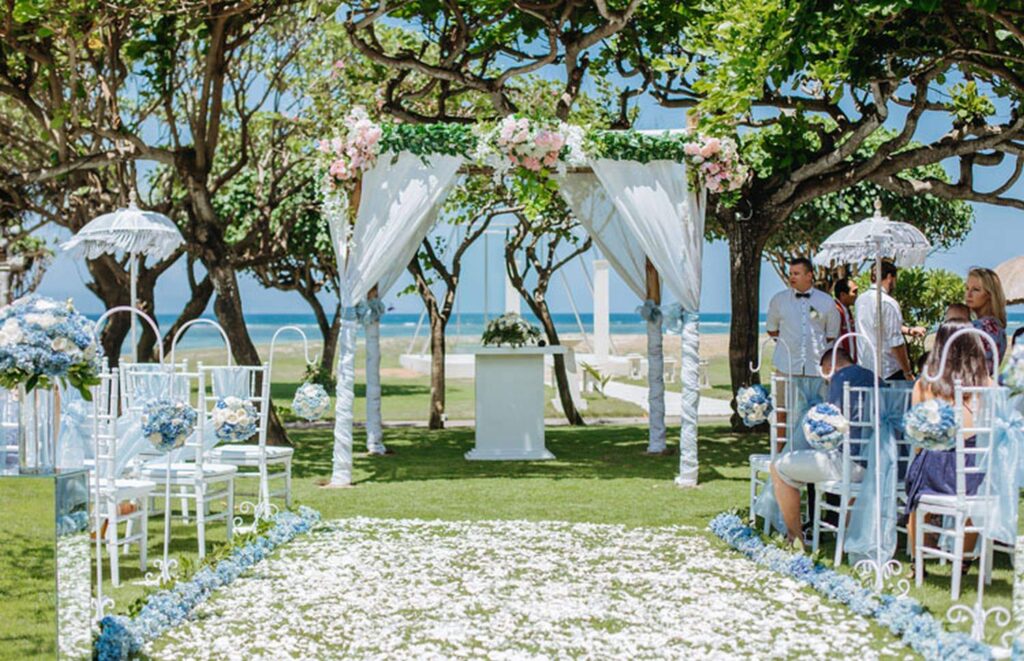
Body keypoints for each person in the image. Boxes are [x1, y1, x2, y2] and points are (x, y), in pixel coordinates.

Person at [904, 321, 992, 568]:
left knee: (915, 483)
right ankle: (962, 559)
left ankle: (917, 559)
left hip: (936, 474)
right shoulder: (986, 383)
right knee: (981, 487)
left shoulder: (927, 383)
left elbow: (917, 438)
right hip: (975, 474)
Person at [770, 347, 875, 545]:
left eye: (825, 375)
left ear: (829, 367)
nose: (826, 381)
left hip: (849, 464)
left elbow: (831, 425)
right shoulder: (875, 379)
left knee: (778, 467)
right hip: (879, 465)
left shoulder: (840, 379)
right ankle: (845, 535)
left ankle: (794, 538)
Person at [766, 258, 841, 378]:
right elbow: (771, 329)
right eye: (790, 273)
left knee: (819, 397)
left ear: (809, 276)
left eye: (796, 274)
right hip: (787, 365)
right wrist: (789, 343)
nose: (792, 277)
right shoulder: (779, 300)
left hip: (818, 366)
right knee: (785, 397)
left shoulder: (826, 301)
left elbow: (831, 334)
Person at [855, 261, 924, 381]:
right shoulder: (888, 302)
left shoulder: (860, 300)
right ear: (889, 277)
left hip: (865, 367)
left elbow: (878, 325)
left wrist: (909, 330)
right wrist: (908, 372)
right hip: (887, 371)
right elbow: (895, 342)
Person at [964, 266, 1007, 371]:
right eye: (967, 288)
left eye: (976, 290)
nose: (968, 294)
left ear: (989, 295)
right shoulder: (997, 326)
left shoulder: (979, 327)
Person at [833, 277, 858, 363]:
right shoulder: (835, 311)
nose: (857, 295)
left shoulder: (847, 310)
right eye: (854, 292)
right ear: (843, 294)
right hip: (839, 363)